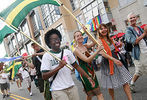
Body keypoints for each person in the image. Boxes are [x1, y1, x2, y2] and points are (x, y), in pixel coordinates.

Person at [41, 29, 95, 100]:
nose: (57, 41)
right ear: (49, 42)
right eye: (53, 39)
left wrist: (88, 77)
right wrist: (59, 67)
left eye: (58, 38)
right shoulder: (47, 56)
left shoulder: (67, 52)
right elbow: (44, 76)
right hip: (58, 90)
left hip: (71, 87)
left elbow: (77, 67)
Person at [97, 24, 132, 100]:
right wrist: (114, 60)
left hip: (116, 61)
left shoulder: (110, 39)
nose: (104, 30)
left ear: (107, 29)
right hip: (107, 64)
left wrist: (118, 45)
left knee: (125, 81)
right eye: (101, 29)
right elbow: (103, 53)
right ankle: (113, 98)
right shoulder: (99, 40)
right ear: (99, 31)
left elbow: (115, 48)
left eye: (105, 28)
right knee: (110, 85)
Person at [73, 29, 104, 100]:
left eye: (81, 35)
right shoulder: (76, 50)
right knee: (98, 93)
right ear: (75, 39)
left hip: (91, 70)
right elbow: (87, 60)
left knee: (90, 94)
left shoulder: (85, 46)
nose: (80, 37)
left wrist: (86, 32)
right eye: (77, 36)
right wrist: (97, 51)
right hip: (84, 73)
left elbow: (94, 41)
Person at [125, 12, 147, 93]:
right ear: (128, 20)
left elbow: (144, 38)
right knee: (139, 70)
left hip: (145, 50)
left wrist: (145, 32)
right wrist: (145, 33)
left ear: (136, 18)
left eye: (134, 17)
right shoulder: (128, 30)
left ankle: (131, 83)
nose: (133, 19)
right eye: (130, 18)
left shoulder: (139, 28)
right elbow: (134, 42)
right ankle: (131, 83)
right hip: (138, 53)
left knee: (140, 70)